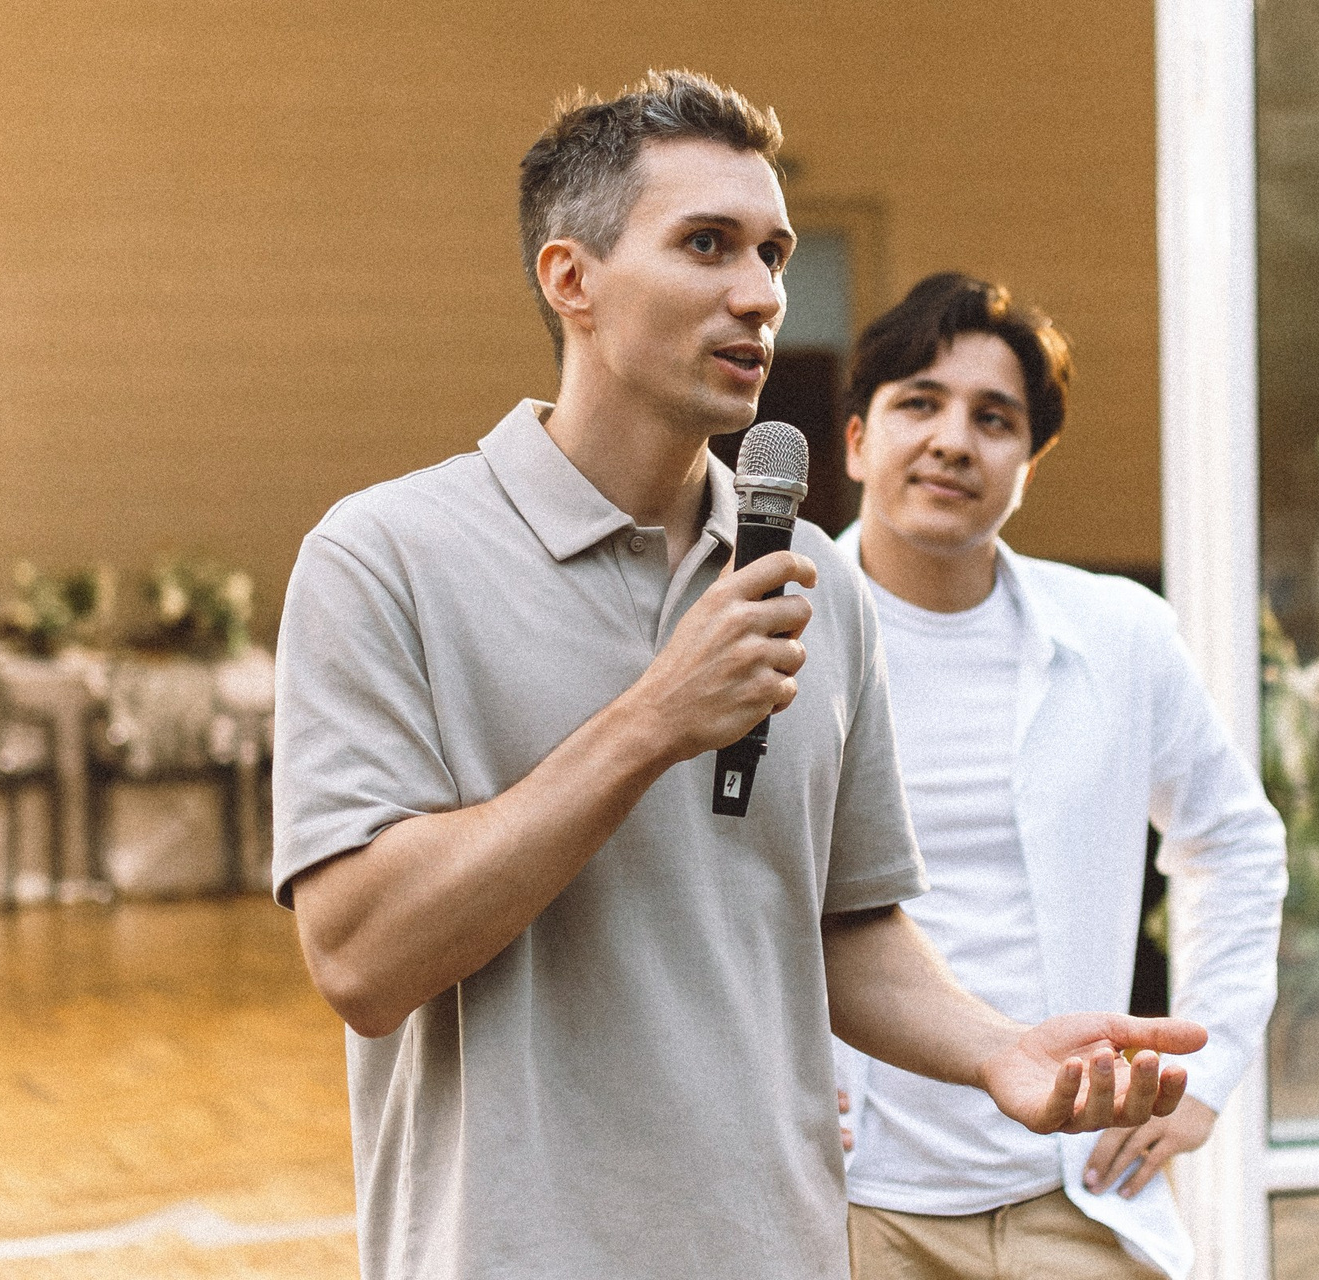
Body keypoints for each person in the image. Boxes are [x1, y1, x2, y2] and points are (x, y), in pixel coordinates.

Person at [271, 73, 1208, 1280]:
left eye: (774, 252)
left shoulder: (814, 579)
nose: (762, 293)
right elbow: (360, 959)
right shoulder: (385, 558)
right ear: (571, 280)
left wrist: (995, 1050)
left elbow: (846, 924)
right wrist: (652, 721)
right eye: (707, 244)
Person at [832, 273, 1287, 1280]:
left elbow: (1235, 843)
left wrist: (1209, 1069)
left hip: (1073, 1196)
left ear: (1029, 463)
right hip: (849, 1202)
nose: (954, 440)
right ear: (858, 440)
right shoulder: (770, 631)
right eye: (920, 403)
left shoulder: (1119, 634)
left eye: (994, 418)